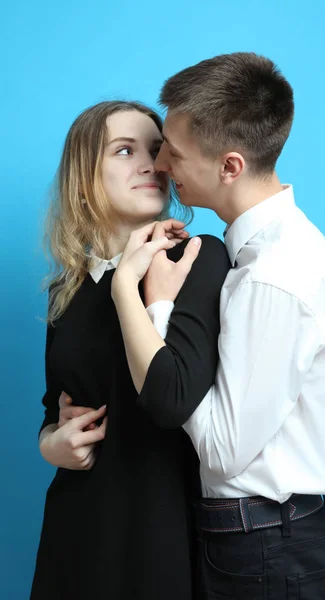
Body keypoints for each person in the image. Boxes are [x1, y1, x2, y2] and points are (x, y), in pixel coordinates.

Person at [104, 53, 325, 599]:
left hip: (265, 546)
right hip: (254, 540)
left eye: (173, 152)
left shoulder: (275, 276)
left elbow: (222, 449)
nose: (163, 167)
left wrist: (158, 310)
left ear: (229, 166)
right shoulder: (260, 256)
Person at [30, 99, 230, 600]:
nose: (153, 164)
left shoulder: (197, 258)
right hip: (77, 526)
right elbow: (54, 405)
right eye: (124, 150)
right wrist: (50, 443)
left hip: (163, 527)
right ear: (82, 179)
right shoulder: (68, 291)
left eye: (159, 151)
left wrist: (131, 286)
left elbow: (174, 401)